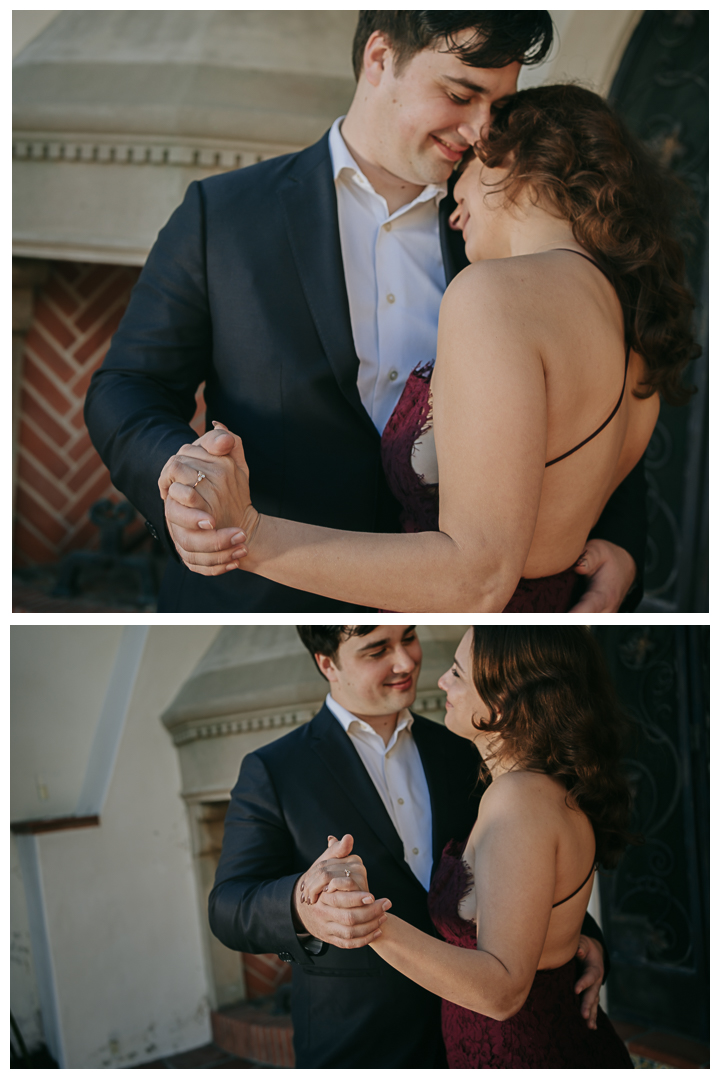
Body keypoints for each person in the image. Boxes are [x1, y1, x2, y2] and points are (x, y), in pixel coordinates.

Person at [84, 13, 647, 613]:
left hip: (452, 619)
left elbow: (582, 388)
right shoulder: (223, 215)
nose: (483, 129)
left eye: (499, 105)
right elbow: (129, 385)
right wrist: (181, 476)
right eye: (461, 94)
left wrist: (619, 547)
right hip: (261, 596)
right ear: (380, 60)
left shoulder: (500, 226)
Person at [208, 625, 607, 1068]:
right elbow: (228, 906)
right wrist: (306, 907)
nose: (406, 662)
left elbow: (525, 869)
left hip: (489, 1037)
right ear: (327, 664)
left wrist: (583, 937)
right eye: (378, 649)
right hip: (361, 1043)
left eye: (409, 637)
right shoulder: (275, 769)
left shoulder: (468, 748)